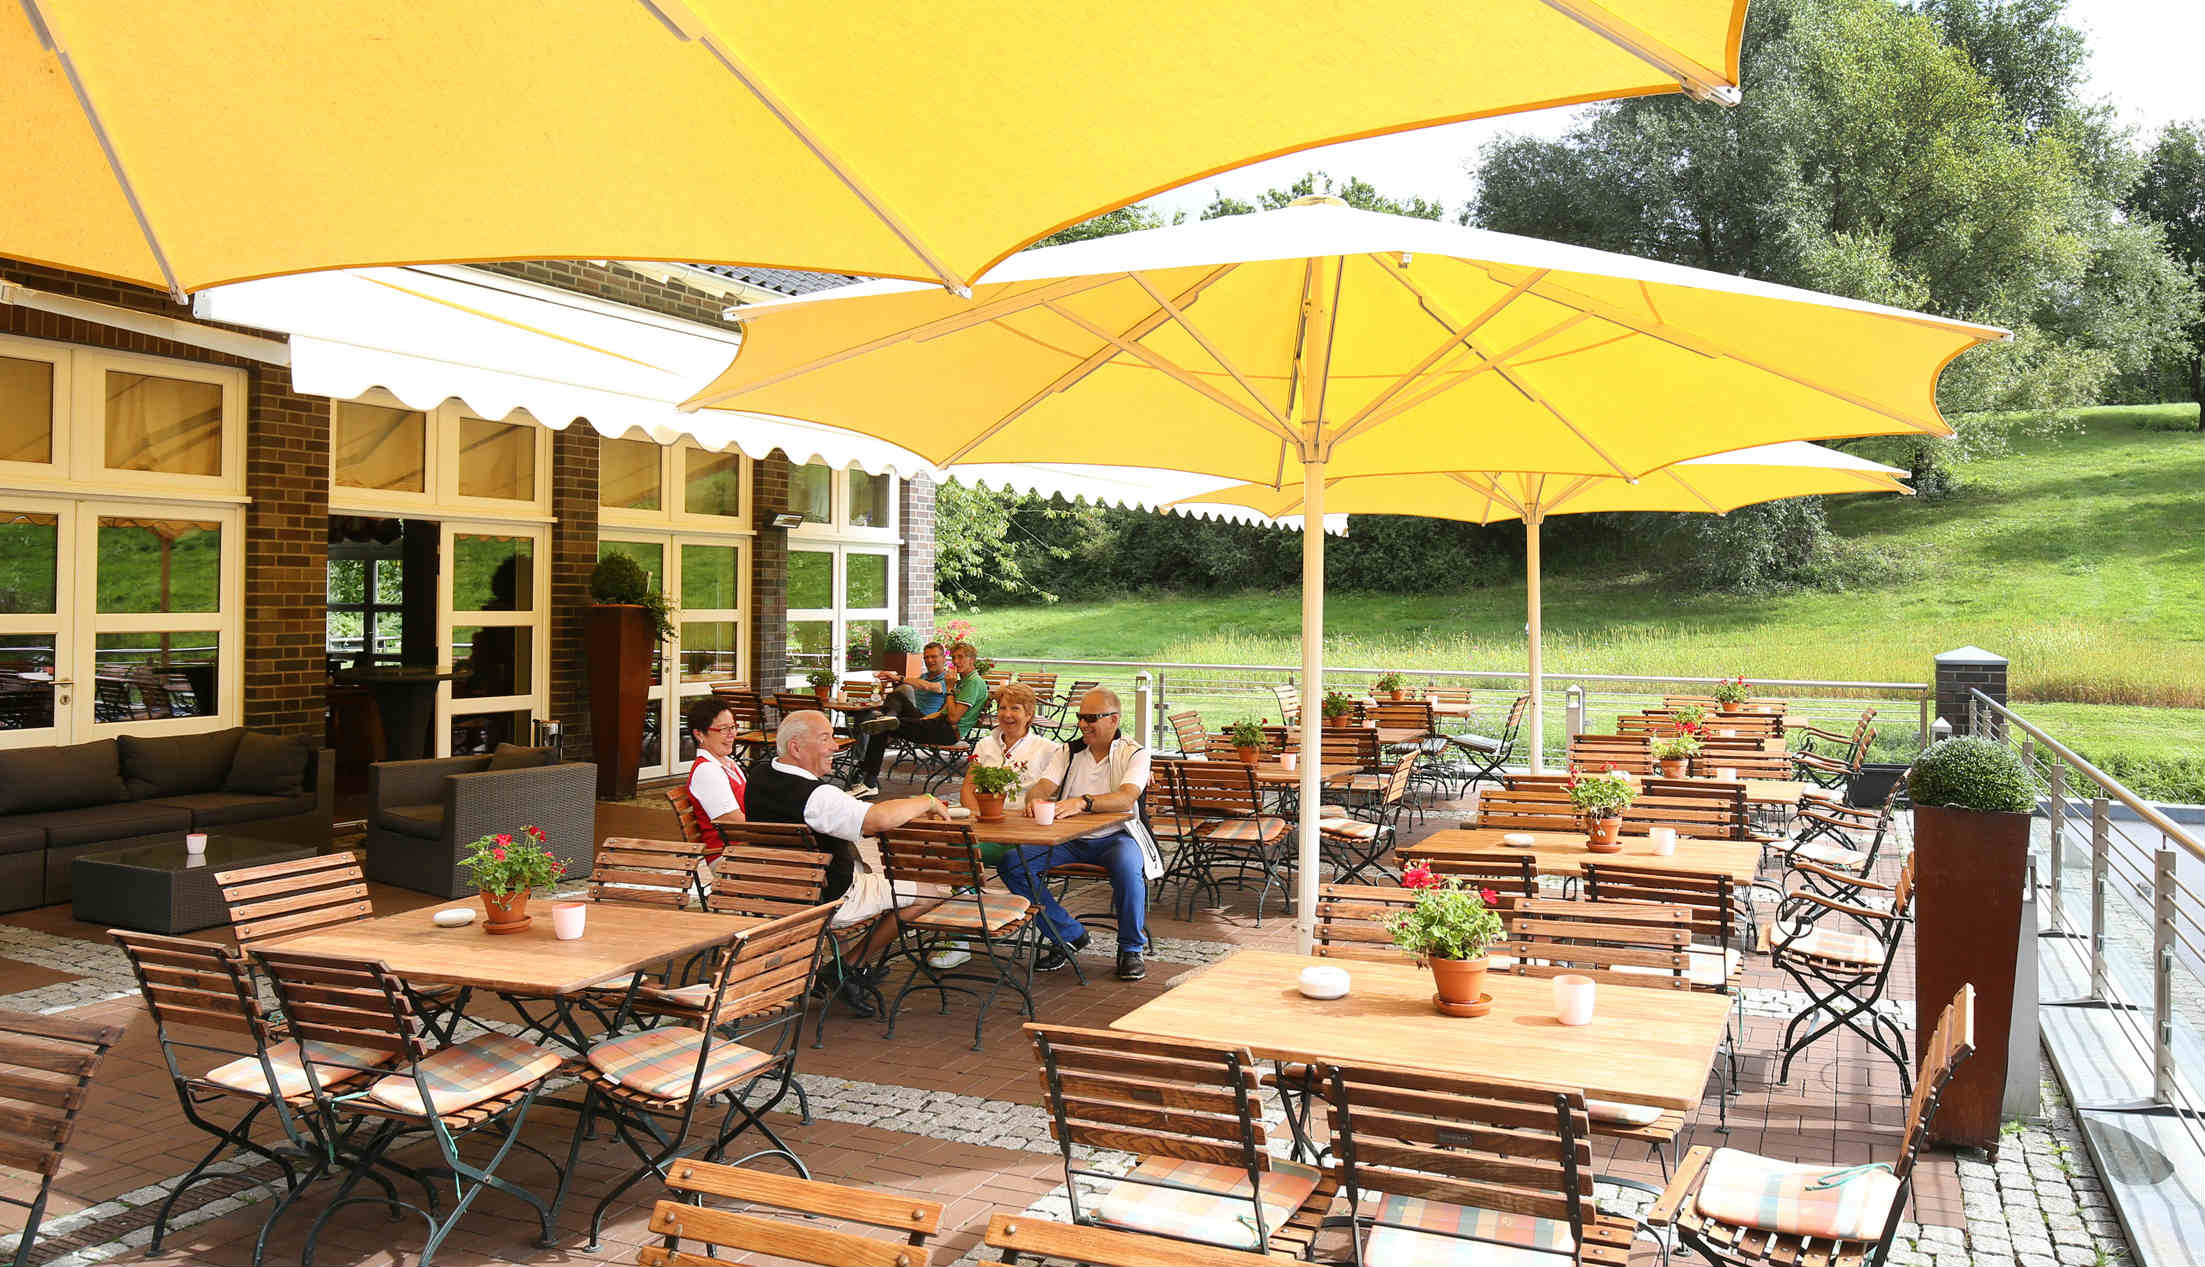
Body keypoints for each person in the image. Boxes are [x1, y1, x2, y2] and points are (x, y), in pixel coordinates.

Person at [744, 710, 951, 1013]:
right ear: (796, 748)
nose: (835, 746)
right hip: (831, 898)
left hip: (781, 893)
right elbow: (878, 820)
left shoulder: (760, 776)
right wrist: (928, 801)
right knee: (933, 893)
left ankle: (827, 966)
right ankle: (850, 967)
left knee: (879, 879)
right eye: (824, 738)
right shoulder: (815, 796)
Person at [996, 688, 1158, 981]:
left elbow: (1126, 797)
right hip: (1069, 838)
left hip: (1117, 836)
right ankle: (1067, 934)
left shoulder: (1135, 752)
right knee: (1012, 864)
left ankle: (1131, 948)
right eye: (1080, 717)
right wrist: (1035, 798)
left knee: (1127, 867)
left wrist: (1082, 802)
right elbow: (1044, 786)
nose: (1082, 724)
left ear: (1113, 719)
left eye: (1090, 718)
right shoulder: (1068, 751)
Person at [927, 682, 1056, 970]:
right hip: (989, 828)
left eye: (1015, 708)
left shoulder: (1047, 749)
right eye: (1002, 708)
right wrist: (980, 817)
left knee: (1014, 863)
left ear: (1030, 714)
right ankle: (959, 939)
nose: (1007, 714)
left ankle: (1019, 921)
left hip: (1024, 835)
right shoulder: (985, 744)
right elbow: (968, 790)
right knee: (957, 854)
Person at [850, 639, 990, 793]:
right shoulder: (964, 682)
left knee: (884, 725)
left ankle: (868, 781)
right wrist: (919, 721)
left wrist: (949, 688)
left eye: (961, 657)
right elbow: (942, 712)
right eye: (954, 657)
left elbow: (953, 718)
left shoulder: (973, 683)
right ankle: (869, 778)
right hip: (937, 724)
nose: (956, 661)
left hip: (948, 732)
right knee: (888, 718)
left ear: (972, 659)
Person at [683, 696, 747, 861]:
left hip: (744, 849)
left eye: (733, 727)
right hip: (728, 857)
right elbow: (733, 825)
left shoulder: (727, 763)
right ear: (699, 734)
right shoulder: (706, 771)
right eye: (723, 729)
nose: (731, 734)